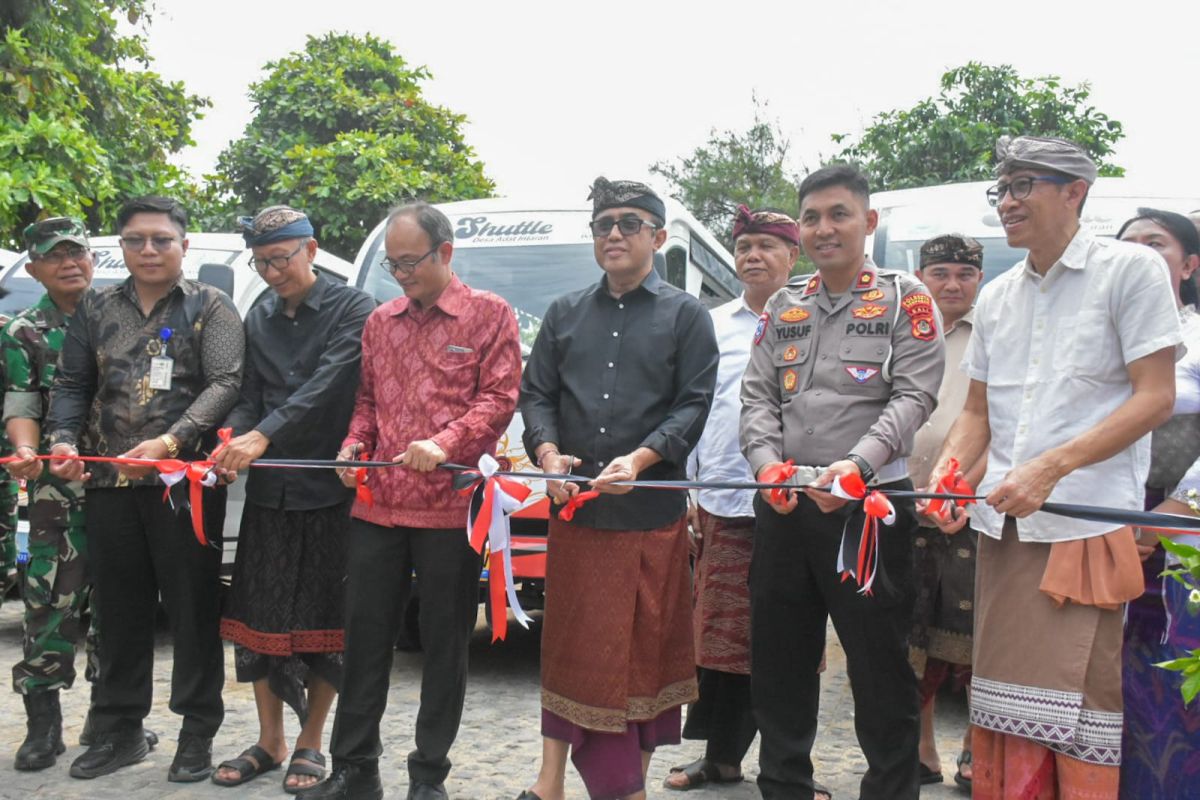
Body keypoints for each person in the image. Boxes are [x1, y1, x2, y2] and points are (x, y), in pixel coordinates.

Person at [924, 136, 1179, 799]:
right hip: (1001, 529)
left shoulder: (1130, 270)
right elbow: (978, 413)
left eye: (1023, 185)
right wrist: (951, 475)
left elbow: (1156, 396)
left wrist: (1050, 469)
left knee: (1079, 706)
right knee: (999, 704)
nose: (1007, 201)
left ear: (1075, 192)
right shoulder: (1000, 295)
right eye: (1000, 189)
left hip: (1081, 527)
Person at [301, 202, 521, 800]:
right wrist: (352, 448)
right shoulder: (382, 322)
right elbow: (367, 404)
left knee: (445, 641)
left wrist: (442, 441)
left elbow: (498, 401)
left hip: (451, 508)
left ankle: (428, 776)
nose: (400, 275)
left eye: (410, 263)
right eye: (393, 265)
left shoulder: (490, 315)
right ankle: (353, 769)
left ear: (445, 253)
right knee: (365, 636)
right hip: (378, 505)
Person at [739, 164, 945, 800]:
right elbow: (756, 397)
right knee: (780, 660)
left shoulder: (905, 298)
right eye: (811, 217)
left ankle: (889, 788)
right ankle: (784, 787)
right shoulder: (785, 302)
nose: (823, 228)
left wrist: (856, 467)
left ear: (869, 223)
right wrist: (765, 462)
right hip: (785, 503)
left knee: (879, 663)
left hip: (868, 509)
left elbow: (914, 395)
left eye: (838, 214)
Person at [517, 177, 718, 800]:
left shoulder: (687, 316)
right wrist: (548, 455)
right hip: (576, 517)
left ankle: (624, 784)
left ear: (657, 237)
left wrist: (639, 459)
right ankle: (553, 784)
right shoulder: (564, 313)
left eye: (629, 223)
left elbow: (692, 406)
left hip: (648, 520)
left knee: (635, 662)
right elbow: (536, 396)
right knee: (573, 654)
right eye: (603, 224)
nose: (613, 234)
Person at [45, 195, 245, 782]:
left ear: (184, 244)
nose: (149, 250)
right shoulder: (95, 307)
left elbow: (227, 381)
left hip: (182, 488)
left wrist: (173, 443)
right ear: (122, 247)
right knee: (119, 613)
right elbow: (73, 382)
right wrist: (61, 440)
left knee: (191, 611)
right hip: (108, 483)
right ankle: (119, 729)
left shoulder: (211, 306)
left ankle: (196, 733)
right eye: (136, 240)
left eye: (161, 239)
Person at [666, 205, 830, 799]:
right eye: (745, 246)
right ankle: (722, 758)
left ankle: (792, 770)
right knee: (721, 637)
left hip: (801, 499)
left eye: (767, 245)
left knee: (792, 640)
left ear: (794, 257)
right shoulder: (710, 325)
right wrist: (686, 486)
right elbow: (689, 407)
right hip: (724, 499)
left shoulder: (818, 315)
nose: (753, 255)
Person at [209, 206, 374, 793]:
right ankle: (271, 738)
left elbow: (326, 385)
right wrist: (234, 443)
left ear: (311, 248)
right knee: (259, 615)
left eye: (280, 259)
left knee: (327, 618)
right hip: (270, 491)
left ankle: (311, 742)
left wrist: (263, 434)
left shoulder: (354, 308)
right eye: (262, 262)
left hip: (332, 489)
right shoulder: (260, 315)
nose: (272, 272)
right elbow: (248, 392)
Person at [1114, 208, 1200, 799]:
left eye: (1157, 244)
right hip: (1101, 523)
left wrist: (1177, 507)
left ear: (1190, 264)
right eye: (1128, 246)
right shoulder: (1099, 333)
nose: (1141, 255)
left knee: (1172, 687)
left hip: (1181, 533)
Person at [4, 217, 95, 771]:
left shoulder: (118, 317)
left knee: (119, 607)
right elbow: (21, 403)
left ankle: (114, 720)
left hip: (117, 487)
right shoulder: (22, 331)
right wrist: (25, 450)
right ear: (34, 268)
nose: (68, 263)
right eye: (53, 256)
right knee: (49, 603)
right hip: (52, 497)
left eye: (76, 252)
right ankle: (43, 726)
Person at [906, 234, 986, 792]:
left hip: (973, 510)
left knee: (977, 639)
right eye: (940, 273)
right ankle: (921, 748)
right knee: (909, 639)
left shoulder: (998, 334)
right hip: (902, 506)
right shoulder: (902, 331)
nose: (952, 284)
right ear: (921, 276)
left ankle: (977, 752)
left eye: (965, 273)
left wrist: (962, 489)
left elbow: (996, 420)